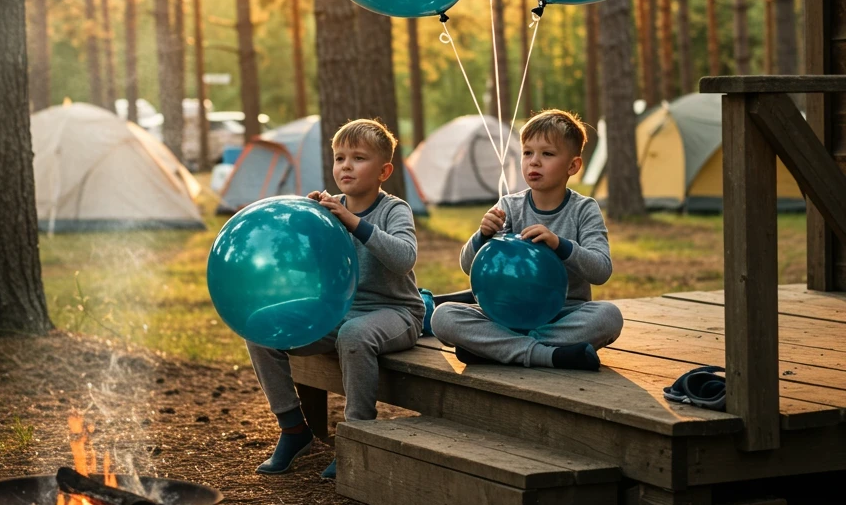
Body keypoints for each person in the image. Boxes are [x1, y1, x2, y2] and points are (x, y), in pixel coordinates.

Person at [247, 118, 423, 480]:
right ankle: (294, 430)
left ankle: (356, 436)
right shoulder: (330, 209)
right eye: (340, 157)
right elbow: (311, 271)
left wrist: (353, 222)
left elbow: (405, 257)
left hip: (395, 313)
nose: (346, 165)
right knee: (260, 327)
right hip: (338, 312)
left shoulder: (394, 210)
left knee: (354, 335)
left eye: (358, 158)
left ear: (384, 171)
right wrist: (308, 227)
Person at [431, 109, 622, 372]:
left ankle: (496, 349)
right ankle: (547, 355)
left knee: (609, 316)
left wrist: (559, 244)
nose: (534, 162)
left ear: (573, 166)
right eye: (527, 152)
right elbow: (467, 266)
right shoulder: (509, 206)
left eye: (547, 154)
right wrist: (482, 235)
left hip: (563, 316)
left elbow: (601, 270)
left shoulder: (584, 209)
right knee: (443, 316)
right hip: (504, 315)